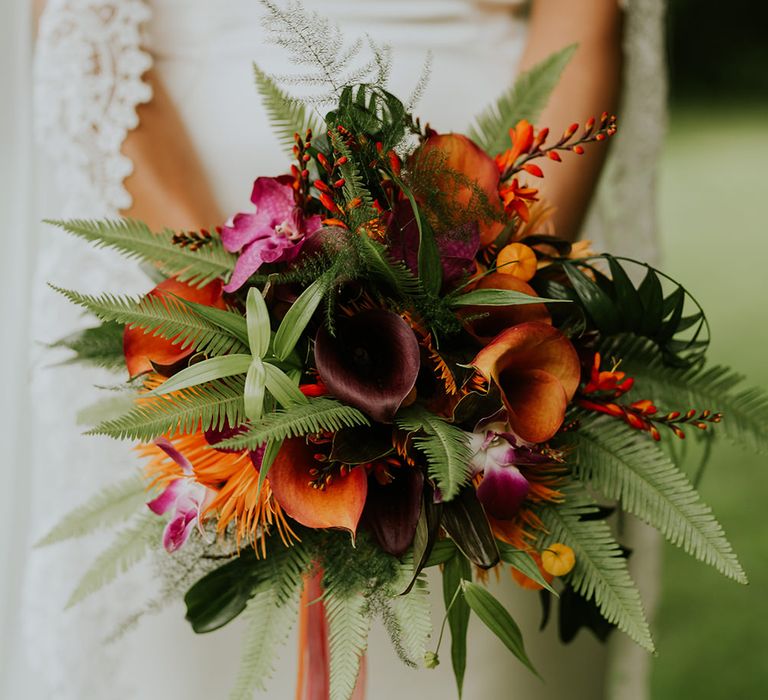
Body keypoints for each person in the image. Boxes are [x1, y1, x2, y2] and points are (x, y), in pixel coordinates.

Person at [2, 1, 666, 698]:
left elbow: (582, 18)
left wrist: (493, 304)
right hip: (193, 238)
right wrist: (232, 332)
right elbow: (84, 34)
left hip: (505, 233)